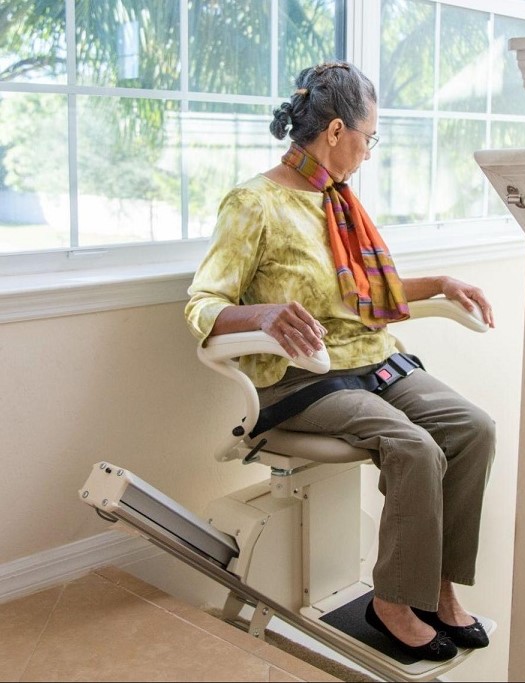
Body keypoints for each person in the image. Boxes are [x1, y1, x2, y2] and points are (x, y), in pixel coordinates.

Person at [185, 61, 496, 662]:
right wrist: (262, 316)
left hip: (373, 362)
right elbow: (204, 302)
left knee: (472, 428)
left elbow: (360, 293)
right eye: (368, 137)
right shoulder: (255, 203)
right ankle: (393, 601)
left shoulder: (340, 203)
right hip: (304, 379)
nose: (368, 150)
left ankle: (436, 585)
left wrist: (439, 282)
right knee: (415, 447)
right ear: (334, 131)